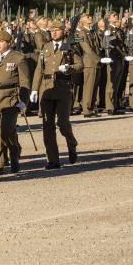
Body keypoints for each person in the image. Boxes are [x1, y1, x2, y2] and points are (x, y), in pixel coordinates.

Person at [30, 20, 81, 170]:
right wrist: (34, 89)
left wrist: (69, 68)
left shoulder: (70, 47)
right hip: (46, 89)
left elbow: (80, 65)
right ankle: (53, 160)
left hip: (63, 88)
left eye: (57, 30)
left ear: (64, 31)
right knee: (47, 126)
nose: (54, 32)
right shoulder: (46, 47)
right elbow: (39, 69)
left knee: (63, 124)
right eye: (52, 30)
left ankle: (72, 144)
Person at [0, 30, 31, 175]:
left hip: (10, 99)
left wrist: (23, 101)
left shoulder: (18, 58)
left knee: (7, 132)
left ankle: (15, 153)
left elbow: (25, 81)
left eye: (1, 41)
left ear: (9, 43)